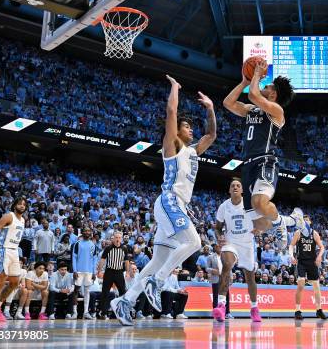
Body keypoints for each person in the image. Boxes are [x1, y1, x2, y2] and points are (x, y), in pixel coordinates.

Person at [110, 75, 216, 326]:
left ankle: (125, 301)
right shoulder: (172, 145)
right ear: (177, 130)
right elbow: (171, 110)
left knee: (157, 260)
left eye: (192, 126)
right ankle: (157, 281)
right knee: (193, 241)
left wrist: (211, 108)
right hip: (169, 201)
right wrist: (175, 88)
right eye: (187, 126)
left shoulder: (193, 151)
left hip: (178, 206)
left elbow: (211, 135)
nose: (191, 129)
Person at [223, 60, 295, 244]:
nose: (264, 84)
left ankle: (279, 223)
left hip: (265, 161)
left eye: (268, 85)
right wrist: (244, 83)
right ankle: (291, 221)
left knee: (260, 203)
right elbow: (228, 103)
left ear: (273, 94)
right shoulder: (251, 110)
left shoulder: (277, 111)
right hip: (248, 165)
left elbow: (254, 96)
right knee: (259, 223)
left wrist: (256, 74)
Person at [213, 179, 261, 322]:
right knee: (227, 265)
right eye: (232, 185)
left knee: (250, 278)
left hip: (247, 243)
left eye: (238, 185)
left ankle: (254, 308)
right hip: (230, 242)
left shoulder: (249, 204)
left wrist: (258, 228)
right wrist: (219, 237)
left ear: (242, 190)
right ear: (229, 190)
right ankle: (221, 305)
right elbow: (217, 227)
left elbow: (260, 222)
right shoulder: (224, 206)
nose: (235, 187)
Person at [0, 196, 26, 322]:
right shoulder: (9, 216)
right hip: (3, 249)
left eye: (24, 204)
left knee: (14, 282)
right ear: (14, 205)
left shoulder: (23, 220)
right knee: (0, 281)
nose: (22, 206)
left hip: (14, 251)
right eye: (20, 203)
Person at [289, 210, 327, 320]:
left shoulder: (314, 233)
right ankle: (297, 310)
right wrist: (291, 256)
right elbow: (291, 245)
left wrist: (319, 256)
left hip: (312, 262)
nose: (305, 221)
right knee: (301, 284)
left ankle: (319, 310)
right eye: (303, 220)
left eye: (307, 220)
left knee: (316, 286)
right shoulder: (298, 233)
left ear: (310, 222)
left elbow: (322, 247)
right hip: (301, 262)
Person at [97, 232, 130, 319]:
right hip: (109, 272)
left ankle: (123, 311)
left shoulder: (124, 248)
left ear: (121, 238)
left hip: (119, 272)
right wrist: (99, 271)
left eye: (119, 237)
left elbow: (126, 261)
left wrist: (127, 272)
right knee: (105, 292)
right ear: (113, 238)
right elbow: (102, 260)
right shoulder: (108, 248)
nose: (118, 239)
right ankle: (103, 312)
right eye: (116, 237)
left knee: (123, 292)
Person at [72, 227, 98, 319]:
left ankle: (86, 312)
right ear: (82, 232)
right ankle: (74, 312)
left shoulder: (93, 245)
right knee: (76, 290)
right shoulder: (77, 244)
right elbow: (74, 257)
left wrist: (94, 272)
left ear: (91, 233)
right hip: (78, 270)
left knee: (87, 291)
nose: (87, 232)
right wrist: (74, 270)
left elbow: (95, 259)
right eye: (85, 231)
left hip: (89, 271)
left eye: (89, 231)